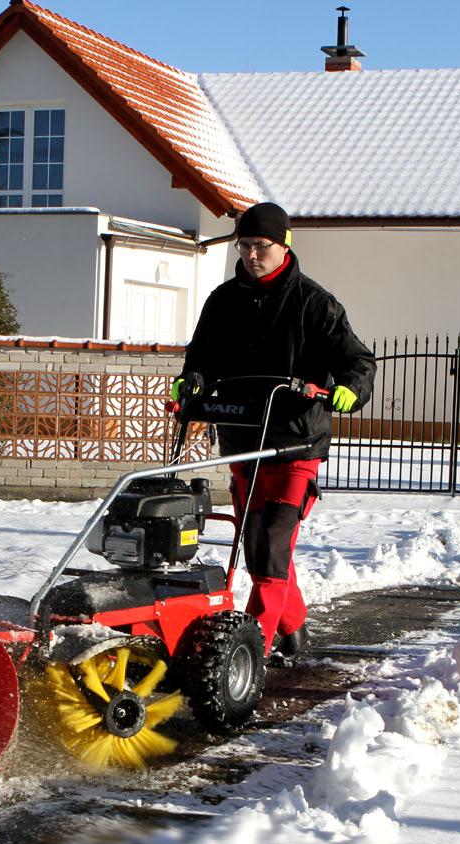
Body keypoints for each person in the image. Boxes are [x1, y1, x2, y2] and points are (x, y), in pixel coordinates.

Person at [178, 202, 376, 662]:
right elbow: (200, 358)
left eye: (260, 246)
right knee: (257, 546)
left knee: (271, 545)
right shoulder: (223, 301)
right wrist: (192, 382)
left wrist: (349, 389)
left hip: (296, 441)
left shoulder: (314, 303)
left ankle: (246, 655)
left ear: (283, 245)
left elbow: (358, 360)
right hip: (242, 438)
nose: (250, 255)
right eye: (243, 246)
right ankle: (294, 624)